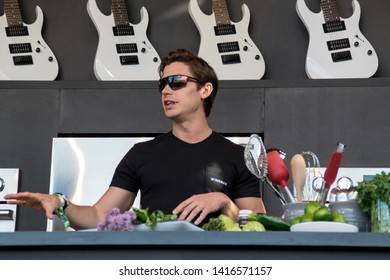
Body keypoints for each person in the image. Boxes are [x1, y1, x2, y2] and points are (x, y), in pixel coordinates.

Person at [5, 48, 266, 230]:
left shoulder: (237, 156)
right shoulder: (141, 154)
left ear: (205, 90)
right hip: (152, 267)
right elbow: (98, 216)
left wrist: (224, 203)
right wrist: (60, 203)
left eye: (176, 82)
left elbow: (258, 225)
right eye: (162, 84)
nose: (166, 90)